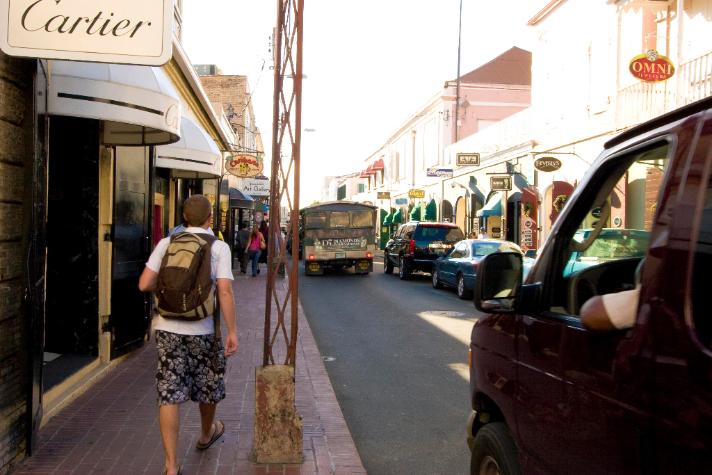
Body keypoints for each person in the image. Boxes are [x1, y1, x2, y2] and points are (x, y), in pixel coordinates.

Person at [138, 195, 238, 475]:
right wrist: (232, 331)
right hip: (204, 329)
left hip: (167, 328)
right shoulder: (219, 247)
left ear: (183, 217)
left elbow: (144, 283)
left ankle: (171, 466)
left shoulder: (166, 243)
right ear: (210, 219)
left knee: (169, 392)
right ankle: (206, 434)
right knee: (208, 384)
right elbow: (225, 291)